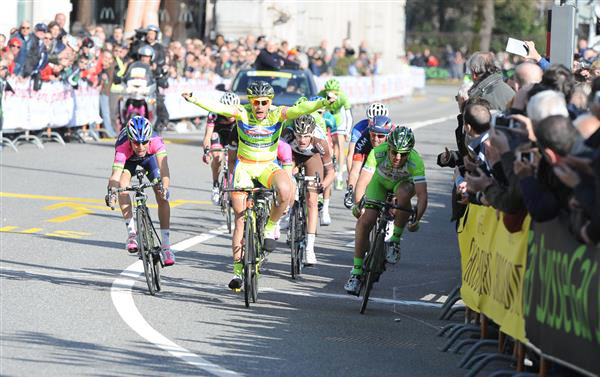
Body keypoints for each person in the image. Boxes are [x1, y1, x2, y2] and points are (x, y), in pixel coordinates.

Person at [182, 81, 335, 290]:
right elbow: (217, 108)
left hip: (267, 167)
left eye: (264, 102)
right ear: (250, 102)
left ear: (269, 102)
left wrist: (323, 102)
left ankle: (270, 226)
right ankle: (237, 270)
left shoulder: (277, 114)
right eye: (256, 102)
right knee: (240, 218)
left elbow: (302, 108)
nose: (260, 107)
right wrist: (193, 98)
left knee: (285, 189)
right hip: (244, 168)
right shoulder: (242, 113)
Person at [345, 127, 427, 295]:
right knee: (365, 221)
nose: (398, 157)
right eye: (394, 152)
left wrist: (417, 219)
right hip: (380, 184)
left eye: (403, 154)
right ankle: (356, 272)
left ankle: (395, 241)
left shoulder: (416, 161)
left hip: (401, 185)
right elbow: (363, 181)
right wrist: (357, 204)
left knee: (404, 195)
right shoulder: (377, 152)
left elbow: (422, 195)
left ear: (409, 152)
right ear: (388, 148)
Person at [104, 116, 174, 266]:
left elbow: (164, 169)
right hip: (129, 161)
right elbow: (115, 175)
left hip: (150, 160)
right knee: (123, 186)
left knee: (161, 195)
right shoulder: (122, 147)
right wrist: (112, 192)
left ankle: (166, 246)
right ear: (130, 139)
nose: (141, 146)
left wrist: (165, 187)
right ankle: (131, 234)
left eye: (144, 142)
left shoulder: (156, 141)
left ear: (149, 139)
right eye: (136, 142)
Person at [281, 115, 335, 265]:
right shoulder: (287, 135)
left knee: (312, 201)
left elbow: (331, 172)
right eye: (299, 136)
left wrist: (323, 185)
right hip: (292, 157)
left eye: (306, 136)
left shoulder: (320, 142)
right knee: (287, 177)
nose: (302, 140)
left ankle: (310, 248)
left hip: (313, 158)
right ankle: (288, 210)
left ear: (312, 134)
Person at [203, 92, 239, 204]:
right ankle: (215, 185)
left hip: (234, 137)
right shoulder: (214, 114)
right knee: (217, 157)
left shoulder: (241, 113)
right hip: (219, 135)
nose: (230, 115)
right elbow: (207, 136)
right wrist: (207, 152)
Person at [349, 116, 394, 203]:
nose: (376, 139)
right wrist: (350, 191)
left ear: (388, 136)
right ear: (369, 132)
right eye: (373, 135)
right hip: (369, 166)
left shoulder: (392, 142)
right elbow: (355, 171)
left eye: (380, 136)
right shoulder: (363, 140)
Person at [318, 78, 352, 190]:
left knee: (340, 146)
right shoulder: (321, 94)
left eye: (334, 93)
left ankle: (340, 176)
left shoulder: (343, 97)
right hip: (328, 118)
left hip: (339, 120)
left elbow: (348, 116)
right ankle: (332, 169)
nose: (331, 95)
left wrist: (347, 131)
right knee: (331, 147)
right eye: (328, 93)